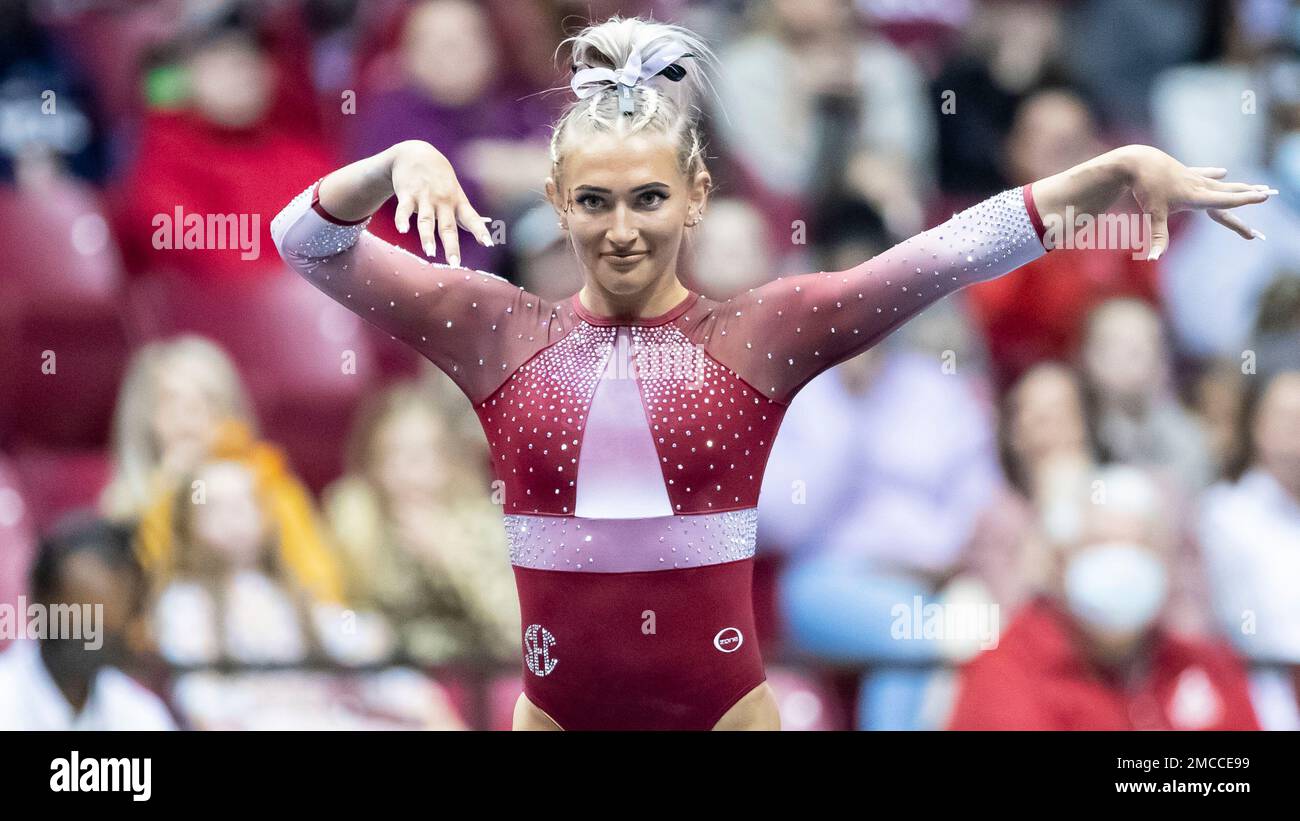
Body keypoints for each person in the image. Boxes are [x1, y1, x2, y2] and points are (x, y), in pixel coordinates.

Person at [270, 16, 1274, 730]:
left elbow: (945, 254)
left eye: (649, 198)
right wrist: (391, 160)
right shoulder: (491, 325)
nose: (622, 230)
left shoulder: (763, 330)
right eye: (595, 202)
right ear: (557, 199)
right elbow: (304, 241)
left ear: (697, 196)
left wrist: (1103, 172)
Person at [948, 465, 1260, 731]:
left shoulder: (1205, 667)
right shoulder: (1006, 670)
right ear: (1061, 561)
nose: (1121, 567)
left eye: (1138, 546)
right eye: (1101, 545)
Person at [0, 514, 177, 730]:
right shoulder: (7, 699)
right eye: (73, 621)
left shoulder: (137, 713)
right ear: (40, 602)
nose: (86, 636)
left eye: (104, 630)